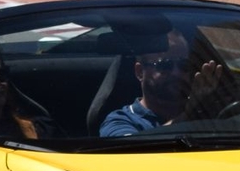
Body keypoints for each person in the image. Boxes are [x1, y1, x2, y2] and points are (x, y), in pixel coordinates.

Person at [98, 27, 230, 137]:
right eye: (164, 65)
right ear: (139, 72)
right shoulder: (120, 121)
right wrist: (190, 113)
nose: (176, 73)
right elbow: (135, 154)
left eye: (183, 65)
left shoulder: (210, 114)